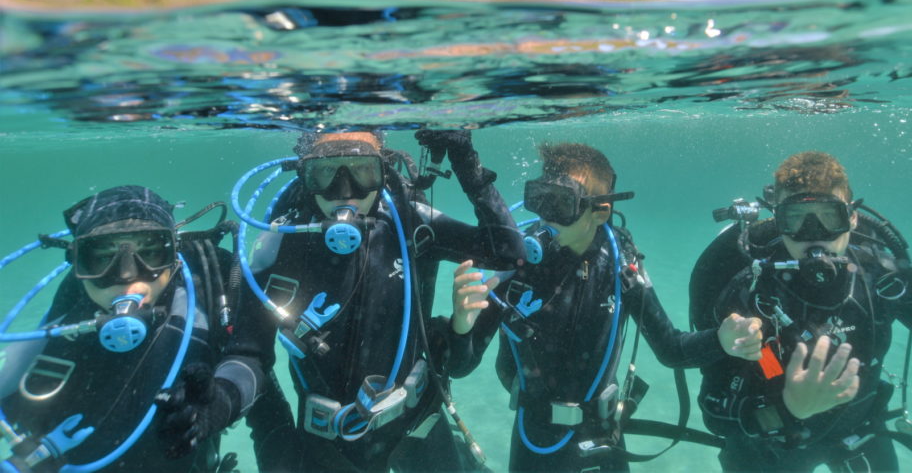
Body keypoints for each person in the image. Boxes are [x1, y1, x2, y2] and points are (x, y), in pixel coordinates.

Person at [155, 129, 524, 472]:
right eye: (325, 174)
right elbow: (250, 352)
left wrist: (467, 164)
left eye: (362, 172)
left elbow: (508, 252)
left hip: (419, 423)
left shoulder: (409, 220)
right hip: (329, 444)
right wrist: (222, 399)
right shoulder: (280, 243)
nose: (345, 191)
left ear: (383, 170)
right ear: (304, 176)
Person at [693, 151, 912, 472]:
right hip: (773, 446)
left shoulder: (882, 278)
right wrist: (789, 410)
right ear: (778, 223)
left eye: (829, 217)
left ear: (851, 217)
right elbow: (715, 412)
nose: (814, 237)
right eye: (796, 220)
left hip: (860, 434)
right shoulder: (752, 294)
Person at [448, 142, 763, 473]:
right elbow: (460, 366)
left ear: (601, 211)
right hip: (534, 436)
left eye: (561, 203)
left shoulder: (619, 263)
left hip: (603, 436)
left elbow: (671, 348)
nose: (545, 216)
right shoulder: (518, 263)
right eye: (540, 199)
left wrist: (721, 341)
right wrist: (462, 324)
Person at [0, 185, 251, 472]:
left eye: (151, 253)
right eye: (103, 258)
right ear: (78, 263)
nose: (127, 276)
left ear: (173, 257)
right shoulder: (62, 320)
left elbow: (251, 361)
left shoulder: (204, 299)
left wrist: (220, 405)